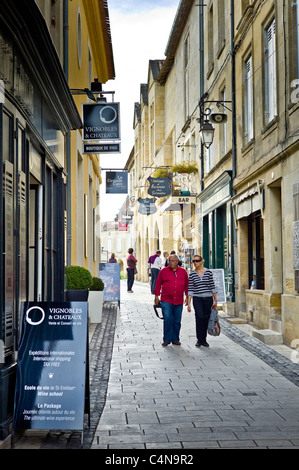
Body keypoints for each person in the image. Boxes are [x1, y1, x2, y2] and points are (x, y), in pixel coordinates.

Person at [154, 254, 189, 347]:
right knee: (168, 318)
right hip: (166, 299)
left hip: (178, 300)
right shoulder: (163, 271)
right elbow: (158, 283)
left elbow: (186, 285)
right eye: (169, 261)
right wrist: (156, 296)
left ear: (177, 262)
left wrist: (187, 297)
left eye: (173, 261)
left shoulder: (183, 272)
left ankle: (175, 339)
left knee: (177, 321)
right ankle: (167, 339)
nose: (171, 262)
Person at [187, 255, 217, 348]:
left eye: (197, 261)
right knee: (199, 317)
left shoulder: (208, 272)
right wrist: (188, 303)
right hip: (197, 298)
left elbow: (212, 286)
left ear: (202, 261)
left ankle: (204, 339)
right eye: (194, 261)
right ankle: (199, 339)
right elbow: (190, 288)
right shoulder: (192, 274)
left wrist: (215, 300)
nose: (195, 263)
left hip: (208, 298)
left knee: (206, 318)